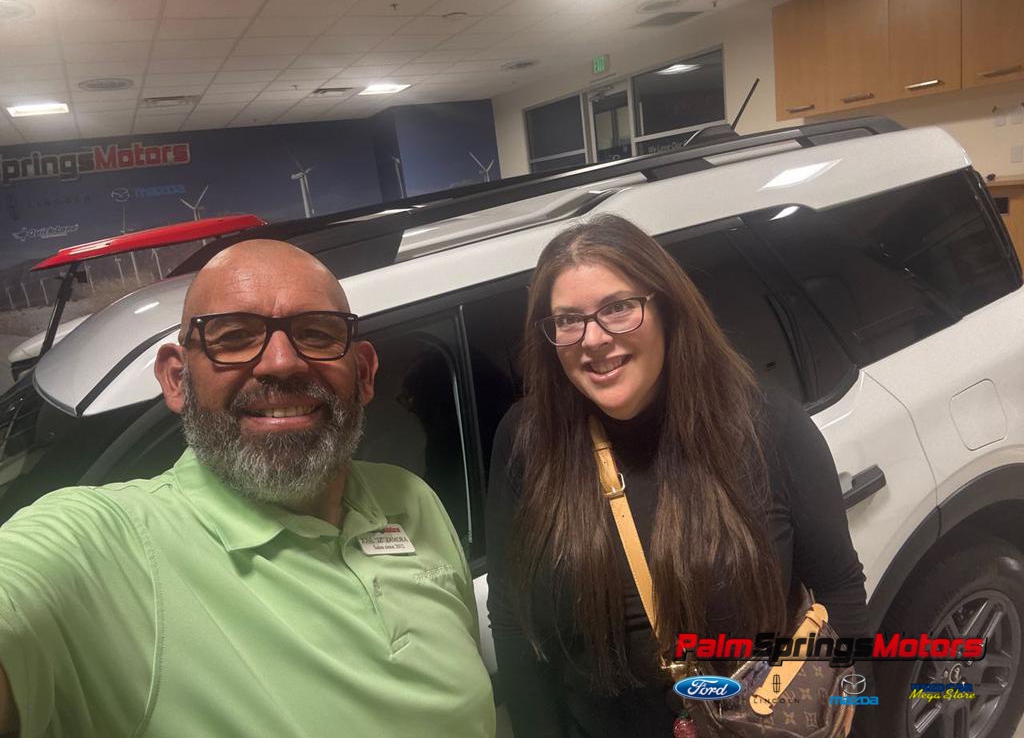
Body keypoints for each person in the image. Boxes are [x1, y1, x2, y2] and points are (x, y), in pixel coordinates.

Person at [0, 240, 495, 738]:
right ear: (177, 380)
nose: (281, 362)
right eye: (234, 336)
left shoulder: (411, 499)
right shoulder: (108, 547)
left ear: (364, 374)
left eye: (316, 333)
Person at [485, 216, 868, 738]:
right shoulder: (527, 441)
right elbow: (510, 620)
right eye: (568, 320)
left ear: (665, 307)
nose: (593, 339)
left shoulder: (766, 427)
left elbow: (839, 592)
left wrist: (843, 716)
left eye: (618, 308)